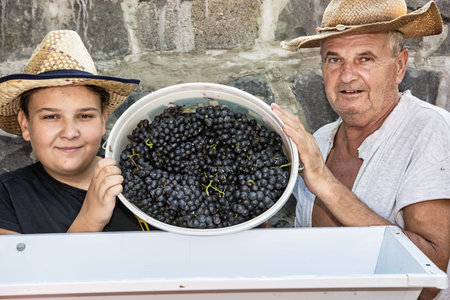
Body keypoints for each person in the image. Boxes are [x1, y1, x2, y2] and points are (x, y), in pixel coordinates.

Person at [270, 1, 450, 299]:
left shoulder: (432, 131)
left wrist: (325, 182)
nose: (347, 76)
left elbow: (429, 281)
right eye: (334, 59)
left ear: (399, 66)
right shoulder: (322, 139)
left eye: (364, 59)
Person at [0, 30, 143, 234]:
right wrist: (89, 220)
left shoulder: (142, 176)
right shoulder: (7, 198)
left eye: (85, 116)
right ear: (25, 125)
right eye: (51, 117)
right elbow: (17, 267)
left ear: (103, 121)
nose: (69, 133)